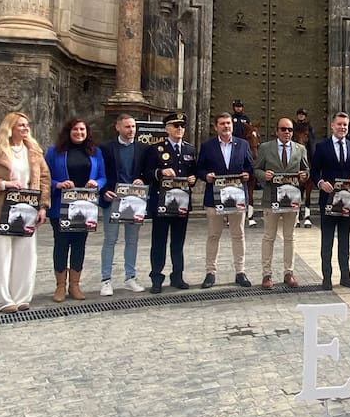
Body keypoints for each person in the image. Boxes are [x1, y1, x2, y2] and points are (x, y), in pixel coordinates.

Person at [0, 112, 50, 312]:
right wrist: (4, 184)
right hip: (0, 210)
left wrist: (42, 206)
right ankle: (2, 300)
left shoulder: (34, 151)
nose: (25, 128)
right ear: (10, 127)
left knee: (26, 255)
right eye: (20, 125)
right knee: (1, 256)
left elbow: (44, 179)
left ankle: (22, 296)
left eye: (26, 125)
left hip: (27, 209)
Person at [45, 118, 106, 303]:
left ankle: (75, 285)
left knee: (80, 245)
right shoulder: (54, 152)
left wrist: (97, 183)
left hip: (85, 207)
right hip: (61, 206)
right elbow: (44, 176)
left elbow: (103, 177)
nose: (79, 132)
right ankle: (60, 286)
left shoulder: (95, 153)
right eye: (75, 129)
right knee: (61, 245)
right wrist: (58, 184)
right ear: (68, 131)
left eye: (82, 129)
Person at [196, 112, 254, 288]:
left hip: (237, 199)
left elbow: (250, 166)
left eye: (228, 123)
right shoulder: (207, 146)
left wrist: (247, 174)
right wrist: (206, 176)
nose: (226, 126)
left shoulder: (243, 144)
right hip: (214, 199)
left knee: (238, 235)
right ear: (216, 127)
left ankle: (240, 271)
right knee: (214, 235)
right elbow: (199, 168)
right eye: (222, 124)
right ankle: (210, 273)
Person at [97, 113, 150, 296]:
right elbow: (99, 172)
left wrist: (141, 179)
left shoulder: (143, 149)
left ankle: (130, 277)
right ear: (117, 127)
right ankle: (106, 280)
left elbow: (147, 172)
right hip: (113, 199)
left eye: (133, 127)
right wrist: (103, 191)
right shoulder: (105, 148)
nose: (131, 130)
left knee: (132, 240)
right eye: (127, 127)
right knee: (110, 240)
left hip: (134, 200)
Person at [146, 111, 197, 293]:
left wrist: (193, 178)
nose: (180, 129)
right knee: (158, 241)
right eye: (176, 126)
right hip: (162, 202)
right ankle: (156, 277)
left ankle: (177, 276)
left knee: (178, 242)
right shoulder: (156, 149)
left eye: (182, 126)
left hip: (181, 203)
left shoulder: (190, 150)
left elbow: (193, 172)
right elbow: (147, 173)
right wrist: (161, 173)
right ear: (167, 128)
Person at [255, 116, 309, 289]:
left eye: (290, 130)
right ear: (277, 131)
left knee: (289, 237)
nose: (287, 132)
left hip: (291, 200)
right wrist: (264, 176)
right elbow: (256, 168)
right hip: (271, 198)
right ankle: (266, 275)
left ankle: (289, 272)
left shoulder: (300, 149)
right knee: (268, 237)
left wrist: (304, 176)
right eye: (283, 129)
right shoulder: (265, 148)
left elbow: (306, 169)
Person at [311, 112, 350, 290]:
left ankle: (345, 276)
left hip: (347, 201)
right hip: (328, 201)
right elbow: (314, 171)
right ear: (332, 126)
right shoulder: (322, 147)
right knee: (327, 240)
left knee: (345, 241)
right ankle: (327, 277)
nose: (342, 128)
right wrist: (320, 183)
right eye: (339, 124)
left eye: (345, 125)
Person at [293, 108, 318, 227]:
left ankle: (307, 214)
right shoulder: (294, 126)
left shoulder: (309, 127)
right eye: (300, 114)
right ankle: (296, 215)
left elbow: (312, 140)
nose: (301, 116)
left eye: (303, 115)